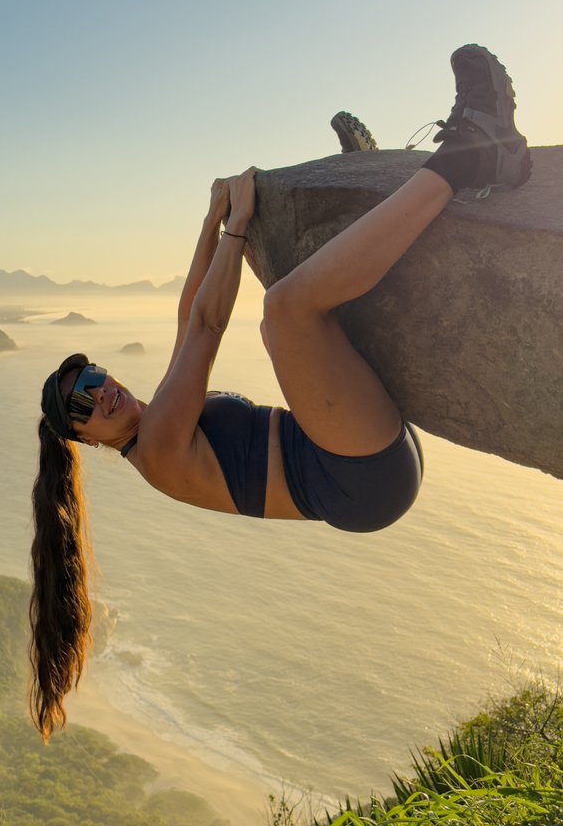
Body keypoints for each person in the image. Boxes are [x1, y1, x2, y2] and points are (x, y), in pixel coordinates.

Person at [28, 44, 531, 740]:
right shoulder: (159, 452)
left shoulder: (158, 419)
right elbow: (206, 325)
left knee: (326, 311)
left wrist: (211, 219)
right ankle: (473, 154)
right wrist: (239, 222)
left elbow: (183, 318)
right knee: (287, 312)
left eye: (89, 379)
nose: (97, 395)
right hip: (357, 478)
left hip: (349, 453)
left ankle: (378, 173)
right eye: (81, 407)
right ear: (86, 441)